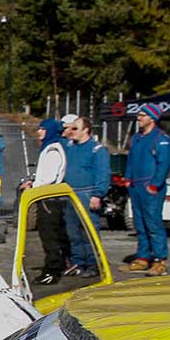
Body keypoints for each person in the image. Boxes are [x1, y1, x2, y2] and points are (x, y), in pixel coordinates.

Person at [126, 103, 170, 275]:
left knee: (153, 223)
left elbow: (164, 164)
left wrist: (155, 184)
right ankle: (143, 257)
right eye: (138, 115)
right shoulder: (136, 138)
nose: (139, 118)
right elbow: (130, 159)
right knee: (140, 223)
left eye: (142, 115)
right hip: (135, 185)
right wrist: (128, 178)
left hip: (150, 186)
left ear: (152, 118)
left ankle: (160, 259)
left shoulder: (160, 138)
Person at [25, 118, 71, 284]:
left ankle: (52, 270)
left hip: (48, 200)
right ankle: (55, 265)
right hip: (46, 197)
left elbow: (50, 178)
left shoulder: (52, 150)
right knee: (50, 236)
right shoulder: (48, 149)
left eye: (42, 129)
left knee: (50, 236)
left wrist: (34, 186)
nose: (39, 132)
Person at [63, 115, 110, 274]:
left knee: (89, 232)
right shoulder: (69, 147)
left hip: (87, 193)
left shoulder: (97, 150)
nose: (71, 132)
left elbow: (102, 173)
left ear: (86, 130)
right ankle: (78, 263)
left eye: (75, 128)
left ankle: (93, 263)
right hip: (70, 194)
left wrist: (97, 194)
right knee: (73, 232)